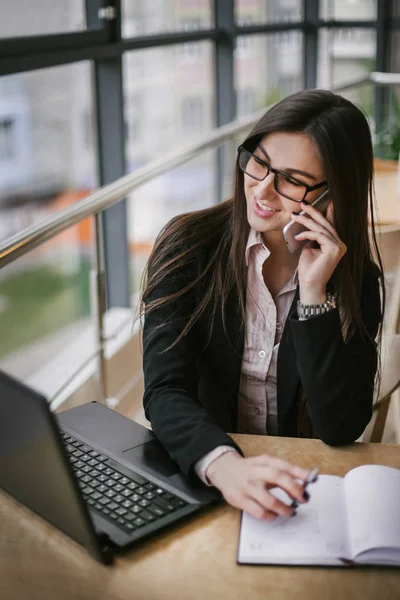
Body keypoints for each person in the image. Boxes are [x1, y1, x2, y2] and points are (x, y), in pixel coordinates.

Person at [140, 89, 384, 521]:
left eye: (291, 179)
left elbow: (340, 427)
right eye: (259, 162)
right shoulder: (187, 246)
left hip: (298, 488)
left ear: (333, 194)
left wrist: (314, 294)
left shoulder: (355, 281)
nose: (263, 190)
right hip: (203, 471)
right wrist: (226, 467)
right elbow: (165, 390)